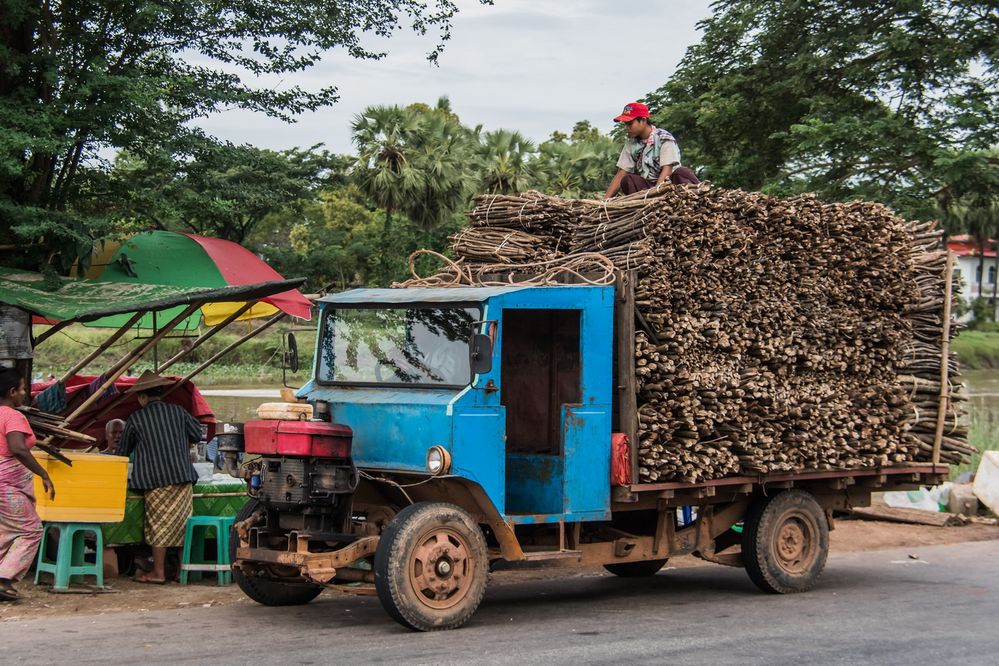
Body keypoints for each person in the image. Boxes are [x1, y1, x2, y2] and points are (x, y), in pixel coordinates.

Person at [117, 371, 201, 584]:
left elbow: (122, 453)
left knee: (158, 526)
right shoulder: (179, 412)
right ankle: (183, 570)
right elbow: (197, 435)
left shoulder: (137, 418)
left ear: (143, 397)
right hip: (182, 478)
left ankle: (159, 573)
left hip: (155, 481)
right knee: (183, 524)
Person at [0, 367, 56, 601]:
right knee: (31, 530)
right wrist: (43, 473)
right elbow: (18, 448)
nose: (25, 393)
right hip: (7, 483)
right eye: (22, 389)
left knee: (6, 531)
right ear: (12, 392)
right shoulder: (12, 416)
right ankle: (4, 580)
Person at [604, 101, 700, 199]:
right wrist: (604, 202)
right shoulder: (631, 144)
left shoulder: (664, 138)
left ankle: (693, 198)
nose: (627, 128)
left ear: (643, 120)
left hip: (671, 185)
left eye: (630, 124)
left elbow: (667, 170)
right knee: (628, 180)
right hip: (648, 189)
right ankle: (642, 205)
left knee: (682, 172)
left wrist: (656, 195)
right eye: (625, 124)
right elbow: (621, 173)